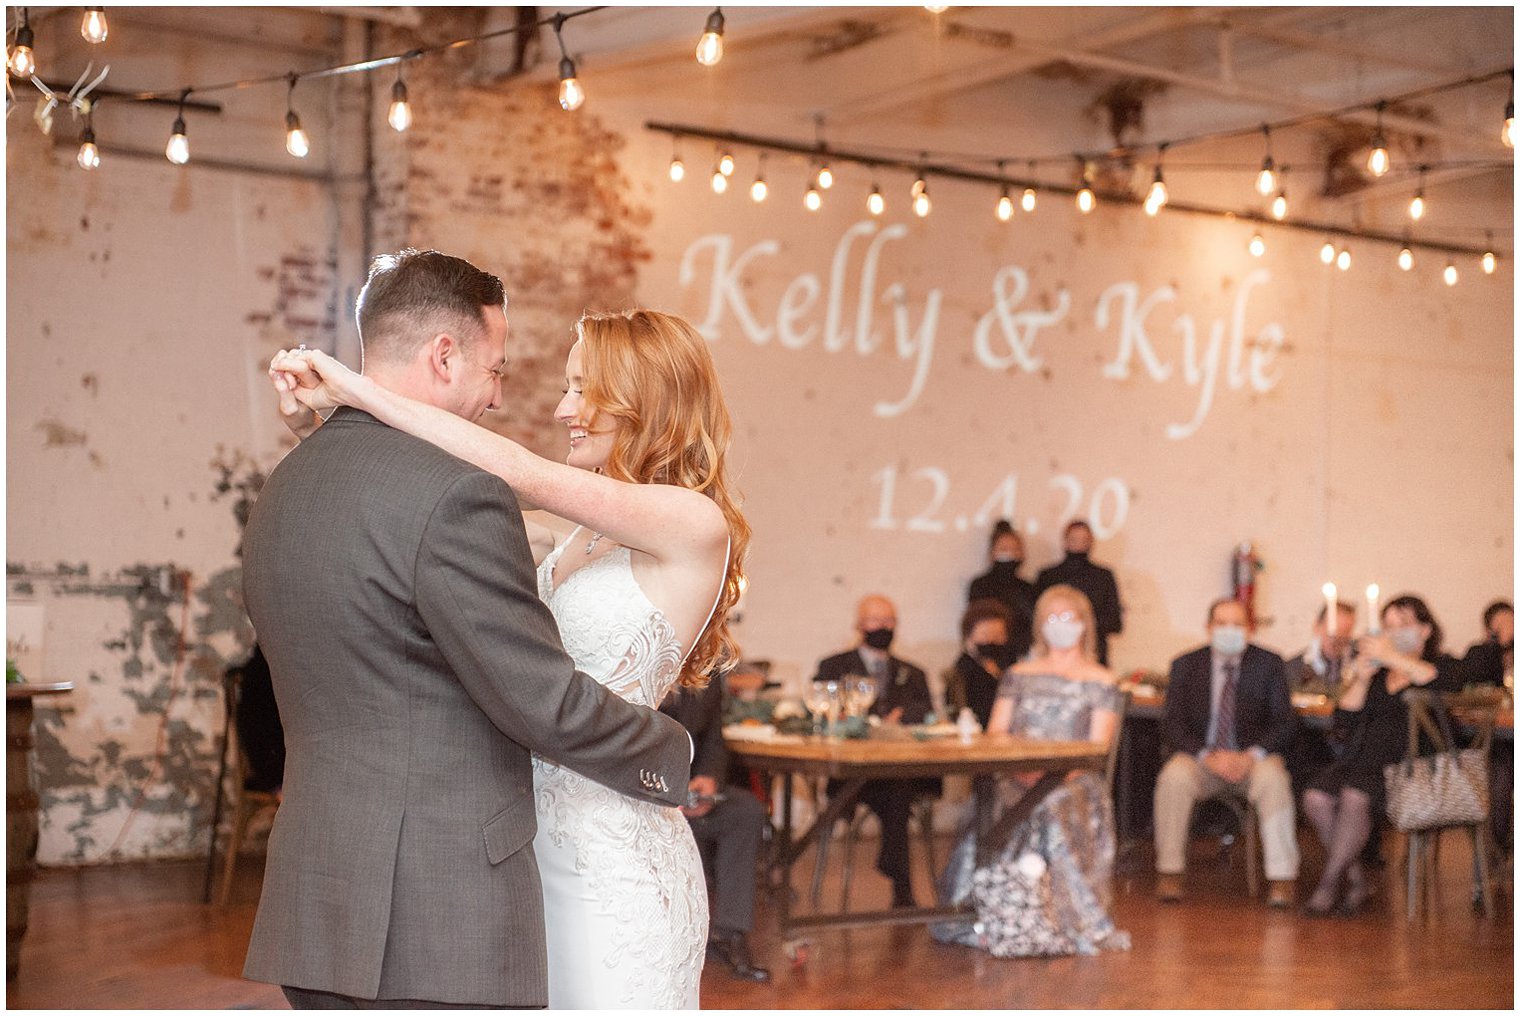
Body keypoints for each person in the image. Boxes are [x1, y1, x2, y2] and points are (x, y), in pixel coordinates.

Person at [264, 254, 746, 1007]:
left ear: (647, 403)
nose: (563, 407)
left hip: (612, 847)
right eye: (568, 385)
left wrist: (356, 389)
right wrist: (326, 435)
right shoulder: (567, 533)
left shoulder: (691, 522)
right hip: (522, 850)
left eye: (587, 389)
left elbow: (520, 472)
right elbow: (401, 526)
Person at [934, 584, 1129, 956]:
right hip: (1016, 772)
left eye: (1068, 618)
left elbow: (1096, 748)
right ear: (1039, 626)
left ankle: (1055, 918)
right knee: (990, 803)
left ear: (1084, 625)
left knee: (1050, 807)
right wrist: (1021, 769)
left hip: (1073, 778)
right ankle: (984, 913)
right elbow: (997, 734)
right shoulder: (1018, 675)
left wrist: (1051, 775)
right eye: (1051, 618)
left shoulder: (1102, 679)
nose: (1060, 625)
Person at [1301, 595, 1463, 915]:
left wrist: (1393, 657)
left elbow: (1438, 681)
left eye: (1403, 625)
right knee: (1315, 797)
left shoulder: (1442, 666)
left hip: (1407, 770)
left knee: (1355, 796)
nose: (1393, 633)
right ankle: (1358, 879)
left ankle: (1328, 885)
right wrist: (1361, 678)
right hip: (1361, 760)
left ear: (1426, 630)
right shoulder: (1378, 675)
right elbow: (1343, 722)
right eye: (1387, 626)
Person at [1154, 598, 1299, 908]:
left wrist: (1249, 757)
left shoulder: (1269, 664)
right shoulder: (1186, 665)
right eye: (1222, 623)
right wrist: (1207, 756)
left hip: (1252, 760)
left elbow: (1285, 723)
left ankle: (1281, 879)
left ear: (1250, 629)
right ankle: (1170, 872)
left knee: (1275, 779)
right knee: (1173, 777)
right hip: (1202, 759)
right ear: (1208, 628)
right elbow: (1172, 724)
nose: (1229, 630)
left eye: (1237, 624)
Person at [812, 594, 936, 907]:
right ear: (859, 625)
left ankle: (897, 877)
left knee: (898, 789)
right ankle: (900, 884)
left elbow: (926, 710)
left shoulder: (913, 672)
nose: (882, 626)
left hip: (897, 771)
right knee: (897, 795)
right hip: (850, 774)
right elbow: (819, 708)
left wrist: (900, 716)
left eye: (889, 620)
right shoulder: (833, 666)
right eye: (875, 620)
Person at [660, 677, 771, 983]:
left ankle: (731, 932)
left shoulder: (707, 670)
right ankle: (672, 935)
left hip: (694, 789)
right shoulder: (642, 656)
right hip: (648, 785)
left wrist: (709, 779)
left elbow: (714, 738)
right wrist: (670, 787)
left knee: (745, 811)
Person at [1035, 520, 1123, 666]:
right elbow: (1039, 617)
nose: (1079, 544)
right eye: (1074, 539)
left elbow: (1115, 622)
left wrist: (1083, 625)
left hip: (1094, 654)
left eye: (1084, 539)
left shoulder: (1103, 576)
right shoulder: (1048, 576)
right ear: (1065, 541)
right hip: (1053, 656)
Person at [967, 520, 1035, 664]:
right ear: (992, 552)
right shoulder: (980, 585)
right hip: (987, 655)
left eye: (1014, 549)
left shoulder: (1028, 588)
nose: (1009, 554)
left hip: (1019, 656)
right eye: (1004, 549)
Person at [943, 598, 1014, 730]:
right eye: (985, 635)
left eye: (998, 635)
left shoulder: (1012, 667)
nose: (992, 640)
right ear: (969, 637)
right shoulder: (961, 674)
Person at [1286, 600, 1357, 698]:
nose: (1336, 639)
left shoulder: (1359, 667)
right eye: (1332, 631)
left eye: (1345, 632)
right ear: (1316, 626)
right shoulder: (1292, 669)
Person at [1461, 600, 1514, 688]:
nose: (1509, 628)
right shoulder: (1478, 654)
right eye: (1502, 624)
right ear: (1489, 631)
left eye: (1511, 622)